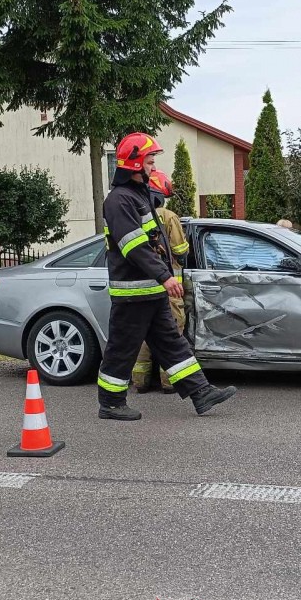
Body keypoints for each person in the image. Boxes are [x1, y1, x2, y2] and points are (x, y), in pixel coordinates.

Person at [96, 132, 236, 421]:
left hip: (151, 290)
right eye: (149, 160)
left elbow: (155, 240)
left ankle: (200, 392)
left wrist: (162, 276)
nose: (152, 165)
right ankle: (110, 403)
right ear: (134, 163)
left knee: (172, 342)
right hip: (133, 291)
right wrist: (165, 276)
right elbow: (134, 246)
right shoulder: (119, 200)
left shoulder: (139, 195)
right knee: (123, 348)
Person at [132, 169, 189, 393]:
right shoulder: (167, 216)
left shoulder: (132, 215)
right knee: (171, 333)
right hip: (169, 285)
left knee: (144, 333)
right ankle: (169, 382)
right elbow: (180, 250)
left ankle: (140, 382)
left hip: (142, 283)